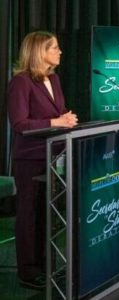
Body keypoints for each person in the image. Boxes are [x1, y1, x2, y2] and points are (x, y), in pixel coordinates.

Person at [7, 31, 78, 289]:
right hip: (30, 159)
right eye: (55, 48)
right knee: (29, 214)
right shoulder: (21, 82)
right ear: (40, 52)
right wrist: (56, 122)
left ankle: (44, 264)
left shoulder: (54, 79)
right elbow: (20, 124)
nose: (60, 52)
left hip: (53, 156)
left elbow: (58, 113)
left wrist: (66, 120)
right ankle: (27, 271)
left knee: (46, 214)